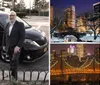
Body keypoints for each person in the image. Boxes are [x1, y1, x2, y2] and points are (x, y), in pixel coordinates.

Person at [3, 11, 25, 80]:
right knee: (10, 60)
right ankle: (12, 72)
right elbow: (5, 35)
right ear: (8, 17)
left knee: (15, 60)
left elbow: (22, 37)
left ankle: (14, 76)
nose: (11, 17)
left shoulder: (20, 24)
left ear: (15, 16)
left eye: (13, 15)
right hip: (9, 46)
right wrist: (4, 45)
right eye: (10, 15)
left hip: (16, 47)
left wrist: (18, 46)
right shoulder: (7, 24)